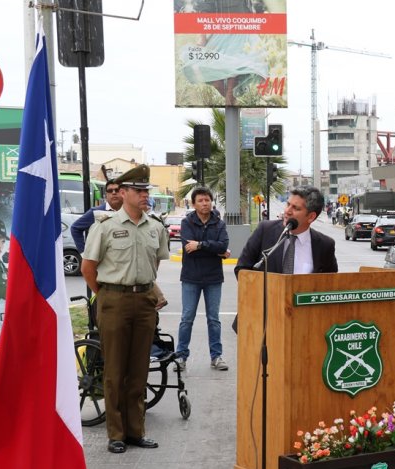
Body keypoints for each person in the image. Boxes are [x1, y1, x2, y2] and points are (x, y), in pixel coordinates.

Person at [81, 165, 170, 454]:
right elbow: (88, 268)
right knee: (115, 369)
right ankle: (116, 433)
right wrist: (106, 295)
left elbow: (154, 264)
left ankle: (136, 431)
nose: (146, 195)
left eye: (147, 190)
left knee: (139, 369)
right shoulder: (105, 226)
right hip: (114, 300)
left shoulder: (155, 227)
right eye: (140, 190)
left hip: (144, 301)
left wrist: (142, 288)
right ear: (123, 193)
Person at [176, 186, 230, 372]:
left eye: (207, 200)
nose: (204, 203)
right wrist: (214, 250)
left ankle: (216, 356)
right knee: (187, 318)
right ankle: (181, 356)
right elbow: (187, 248)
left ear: (211, 201)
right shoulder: (187, 222)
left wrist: (199, 245)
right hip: (191, 277)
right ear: (194, 204)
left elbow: (223, 245)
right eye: (200, 200)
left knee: (214, 319)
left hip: (214, 278)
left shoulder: (219, 223)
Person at [236, 186, 338, 275]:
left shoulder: (325, 245)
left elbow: (330, 283)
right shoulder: (265, 230)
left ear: (311, 217)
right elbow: (242, 269)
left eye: (295, 208)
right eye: (288, 204)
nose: (287, 211)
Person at [70, 178, 123, 253]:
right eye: (110, 191)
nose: (114, 193)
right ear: (106, 195)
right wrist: (84, 253)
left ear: (123, 192)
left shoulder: (129, 211)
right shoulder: (97, 212)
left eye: (117, 190)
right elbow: (75, 228)